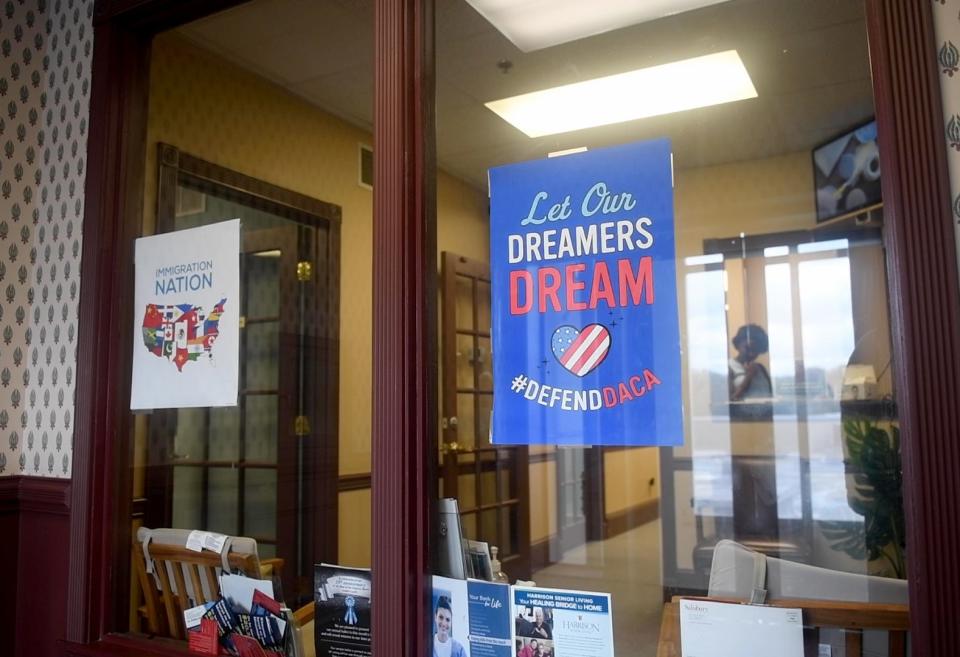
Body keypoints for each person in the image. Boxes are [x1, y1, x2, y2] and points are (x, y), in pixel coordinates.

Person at [728, 324, 773, 401]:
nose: (751, 353)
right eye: (747, 348)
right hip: (740, 412)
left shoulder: (761, 368)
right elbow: (730, 401)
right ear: (738, 344)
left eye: (756, 349)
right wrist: (748, 376)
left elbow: (769, 396)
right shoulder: (729, 367)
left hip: (764, 412)